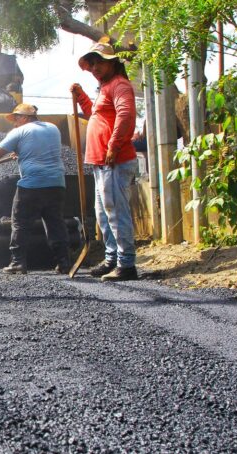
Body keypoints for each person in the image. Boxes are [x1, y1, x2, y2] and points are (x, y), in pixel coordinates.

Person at [0, 103, 70, 274]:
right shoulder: (52, 128)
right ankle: (64, 262)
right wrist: (21, 152)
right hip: (57, 184)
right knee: (55, 223)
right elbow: (40, 149)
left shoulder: (19, 132)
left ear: (25, 117)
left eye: (17, 118)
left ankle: (18, 262)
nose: (15, 123)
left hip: (32, 185)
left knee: (20, 223)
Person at [70, 41, 138, 281]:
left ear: (113, 62)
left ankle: (126, 264)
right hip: (101, 163)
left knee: (116, 213)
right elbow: (95, 116)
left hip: (115, 161)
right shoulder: (105, 88)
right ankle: (112, 259)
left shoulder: (119, 85)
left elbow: (126, 115)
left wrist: (113, 146)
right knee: (104, 214)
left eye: (100, 61)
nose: (95, 67)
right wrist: (81, 97)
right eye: (93, 63)